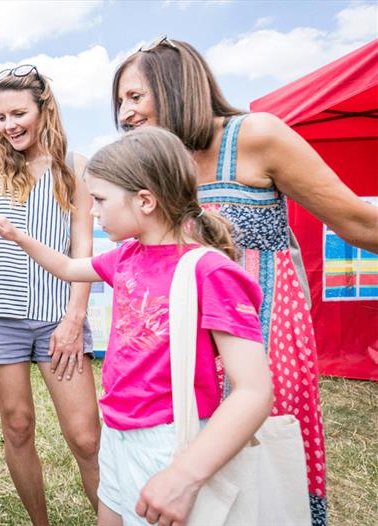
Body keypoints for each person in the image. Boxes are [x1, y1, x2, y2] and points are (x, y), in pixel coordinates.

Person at [111, 37, 378, 525]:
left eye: (134, 96)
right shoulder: (156, 165)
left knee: (257, 478)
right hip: (183, 349)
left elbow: (358, 223)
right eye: (120, 102)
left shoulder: (255, 135)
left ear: (174, 86)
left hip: (260, 338)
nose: (124, 113)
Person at [0, 127, 275, 526]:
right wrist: (17, 236)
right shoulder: (127, 256)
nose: (92, 212)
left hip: (167, 442)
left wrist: (185, 476)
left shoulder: (211, 272)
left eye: (99, 200)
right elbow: (68, 267)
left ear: (145, 201)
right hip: (117, 430)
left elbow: (255, 391)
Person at [0, 64, 100, 524]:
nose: (9, 125)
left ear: (44, 109)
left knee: (85, 437)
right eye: (0, 117)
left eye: (18, 113)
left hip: (59, 315)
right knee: (17, 426)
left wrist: (74, 319)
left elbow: (82, 249)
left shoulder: (74, 167)